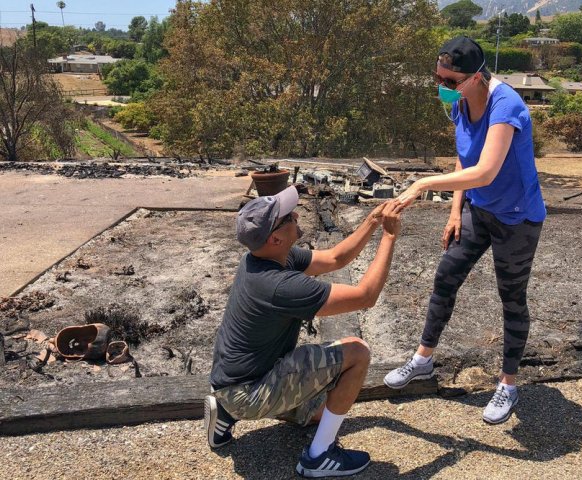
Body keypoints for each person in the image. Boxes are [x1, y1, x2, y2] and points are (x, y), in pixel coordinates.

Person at [383, 36, 546, 425]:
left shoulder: (506, 106)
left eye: (451, 81)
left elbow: (487, 170)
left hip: (517, 217)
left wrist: (422, 185)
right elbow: (464, 157)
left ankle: (508, 383)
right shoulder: (459, 103)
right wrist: (456, 210)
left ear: (476, 77)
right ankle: (423, 359)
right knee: (446, 276)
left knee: (511, 297)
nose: (443, 86)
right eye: (438, 78)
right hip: (479, 208)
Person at [205, 185, 404, 477]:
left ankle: (225, 411)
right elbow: (366, 296)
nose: (296, 215)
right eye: (288, 217)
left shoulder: (263, 259)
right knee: (357, 352)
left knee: (322, 412)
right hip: (250, 392)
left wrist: (373, 220)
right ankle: (319, 456)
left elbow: (336, 258)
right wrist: (389, 235)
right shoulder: (280, 286)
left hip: (231, 382)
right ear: (275, 238)